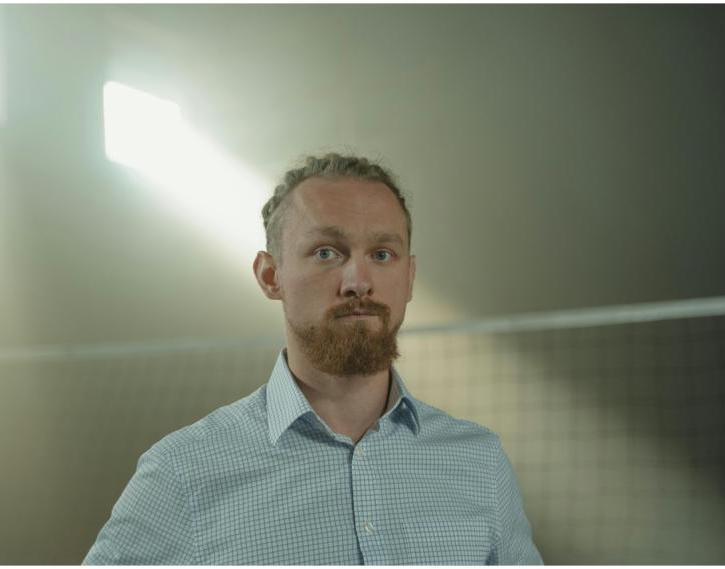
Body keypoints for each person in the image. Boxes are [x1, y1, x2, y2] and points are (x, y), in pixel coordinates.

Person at [83, 153, 543, 565]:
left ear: (410, 277)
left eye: (382, 254)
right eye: (327, 252)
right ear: (270, 275)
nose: (358, 282)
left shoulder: (479, 462)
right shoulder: (183, 472)